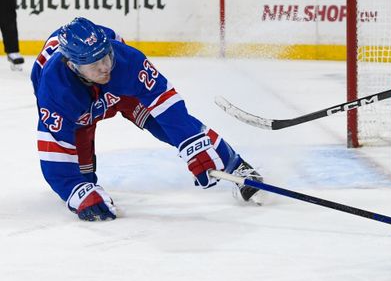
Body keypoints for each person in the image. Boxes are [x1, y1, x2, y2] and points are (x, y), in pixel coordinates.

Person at [31, 17, 264, 221]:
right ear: (73, 66)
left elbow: (165, 103)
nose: (104, 68)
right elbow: (56, 149)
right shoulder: (55, 89)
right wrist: (77, 190)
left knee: (165, 124)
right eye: (94, 64)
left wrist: (192, 142)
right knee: (84, 183)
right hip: (78, 112)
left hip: (119, 92)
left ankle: (237, 165)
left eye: (106, 57)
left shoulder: (123, 59)